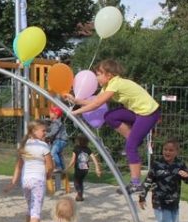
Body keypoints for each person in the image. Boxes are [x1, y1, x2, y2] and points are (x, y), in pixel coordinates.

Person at [64, 59, 160, 194]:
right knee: (110, 116)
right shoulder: (108, 86)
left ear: (108, 75)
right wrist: (75, 101)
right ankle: (133, 139)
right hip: (138, 113)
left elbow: (96, 105)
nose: (96, 77)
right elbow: (94, 101)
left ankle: (136, 183)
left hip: (148, 114)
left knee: (130, 147)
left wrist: (75, 112)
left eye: (98, 74)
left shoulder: (116, 84)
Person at [3, 120, 54, 222]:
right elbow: (50, 166)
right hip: (38, 181)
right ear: (34, 131)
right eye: (43, 130)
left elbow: (18, 166)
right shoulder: (43, 146)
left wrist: (13, 182)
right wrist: (48, 176)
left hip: (25, 181)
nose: (45, 133)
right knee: (36, 210)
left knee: (30, 208)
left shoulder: (24, 145)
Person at [66, 134, 102, 202]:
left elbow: (73, 160)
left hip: (78, 169)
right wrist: (97, 168)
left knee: (76, 182)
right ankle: (80, 196)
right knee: (80, 182)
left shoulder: (76, 148)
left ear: (78, 141)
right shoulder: (88, 149)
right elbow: (94, 159)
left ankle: (79, 193)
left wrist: (68, 167)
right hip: (85, 170)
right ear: (87, 142)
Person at [46, 106, 68, 174]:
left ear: (55, 114)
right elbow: (51, 129)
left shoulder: (56, 123)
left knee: (53, 153)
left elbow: (53, 132)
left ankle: (58, 167)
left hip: (60, 140)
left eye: (50, 113)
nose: (49, 114)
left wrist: (46, 135)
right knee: (58, 154)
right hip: (61, 141)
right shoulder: (55, 122)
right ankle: (62, 168)